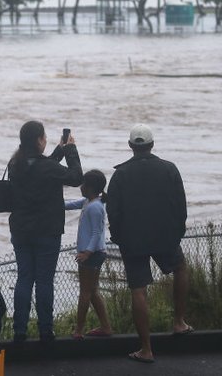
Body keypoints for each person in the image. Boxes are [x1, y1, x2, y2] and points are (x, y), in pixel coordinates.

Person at [107, 124, 193, 364]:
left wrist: (118, 236)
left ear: (131, 146)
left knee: (138, 289)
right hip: (165, 236)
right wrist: (178, 231)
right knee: (180, 268)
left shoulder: (121, 174)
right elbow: (180, 204)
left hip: (132, 240)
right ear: (152, 145)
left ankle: (146, 349)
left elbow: (113, 211)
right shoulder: (169, 169)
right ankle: (179, 322)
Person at [8, 120, 83, 343]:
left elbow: (41, 167)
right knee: (44, 281)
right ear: (39, 140)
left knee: (24, 279)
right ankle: (45, 331)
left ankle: (19, 331)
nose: (46, 140)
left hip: (21, 230)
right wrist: (70, 150)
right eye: (44, 137)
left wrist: (58, 150)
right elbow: (76, 177)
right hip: (47, 232)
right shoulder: (47, 168)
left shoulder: (15, 164)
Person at [64, 169, 113, 340]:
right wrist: (51, 201)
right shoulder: (89, 202)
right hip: (92, 253)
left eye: (83, 184)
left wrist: (87, 252)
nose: (81, 187)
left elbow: (96, 232)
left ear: (91, 187)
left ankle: (79, 330)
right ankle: (106, 327)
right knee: (92, 291)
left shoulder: (95, 207)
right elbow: (69, 204)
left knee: (85, 292)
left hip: (92, 254)